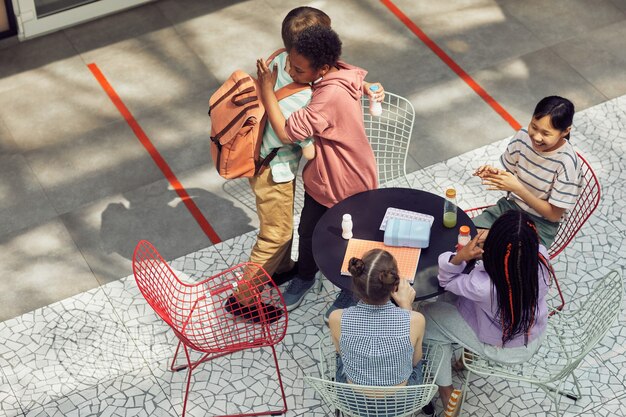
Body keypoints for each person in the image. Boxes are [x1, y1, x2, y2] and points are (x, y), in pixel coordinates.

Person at [256, 25, 379, 315]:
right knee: (308, 231)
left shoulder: (329, 96)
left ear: (322, 68)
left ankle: (352, 289)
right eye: (290, 65)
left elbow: (287, 133)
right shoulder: (335, 71)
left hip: (347, 180)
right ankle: (304, 276)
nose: (292, 74)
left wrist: (266, 90)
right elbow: (358, 77)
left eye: (298, 71)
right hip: (322, 178)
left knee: (349, 240)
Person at [421, 210, 554, 416]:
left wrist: (460, 257)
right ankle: (465, 354)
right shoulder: (540, 258)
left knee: (428, 318)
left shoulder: (483, 287)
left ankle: (447, 393)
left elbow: (446, 281)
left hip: (505, 347)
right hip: (530, 331)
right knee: (453, 302)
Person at [473, 96, 581, 248]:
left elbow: (553, 215)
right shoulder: (523, 137)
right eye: (534, 126)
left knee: (496, 252)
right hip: (509, 209)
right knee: (467, 238)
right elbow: (512, 174)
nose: (536, 137)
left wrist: (518, 189)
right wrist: (496, 175)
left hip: (540, 225)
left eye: (546, 133)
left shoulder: (567, 164)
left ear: (565, 131)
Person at [329, 249, 426, 388]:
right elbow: (414, 361)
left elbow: (341, 353)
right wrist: (406, 308)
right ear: (394, 286)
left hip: (352, 398)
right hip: (403, 401)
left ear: (356, 284)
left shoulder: (336, 318)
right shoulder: (416, 320)